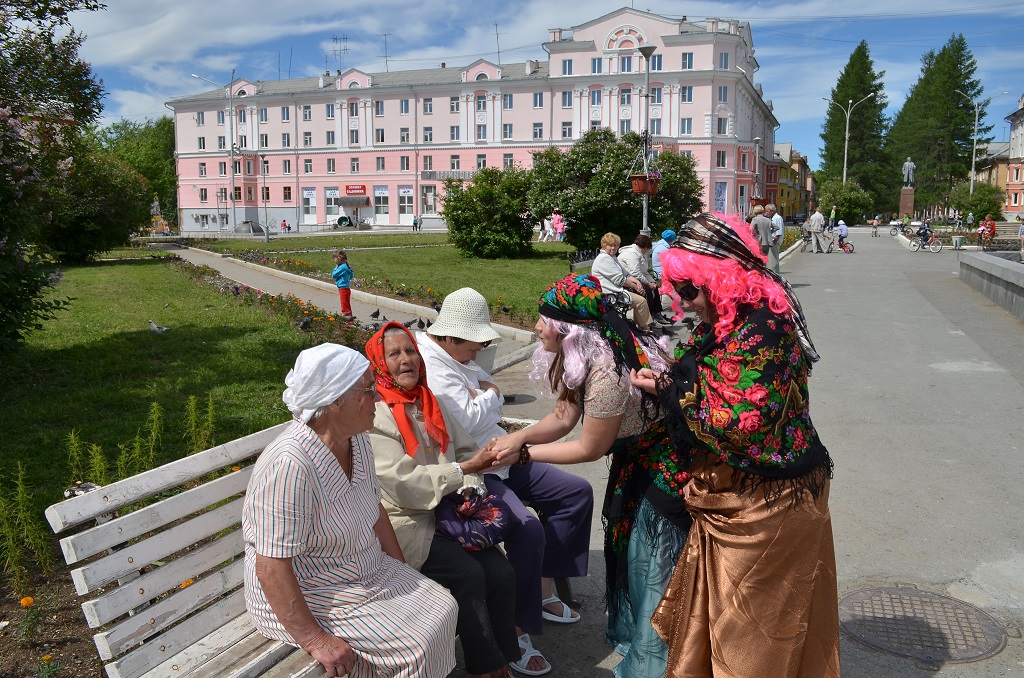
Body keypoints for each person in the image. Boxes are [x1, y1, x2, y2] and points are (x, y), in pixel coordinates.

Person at [629, 213, 839, 678]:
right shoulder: (728, 317)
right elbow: (709, 383)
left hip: (771, 503)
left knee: (753, 637)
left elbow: (741, 422)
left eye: (689, 289)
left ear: (720, 277)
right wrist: (668, 381)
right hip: (737, 492)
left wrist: (668, 392)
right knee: (722, 624)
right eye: (675, 288)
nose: (680, 302)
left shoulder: (764, 324)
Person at [491, 274, 689, 678]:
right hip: (638, 462)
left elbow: (589, 448)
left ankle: (663, 662)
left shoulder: (606, 374)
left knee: (650, 565)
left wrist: (522, 452)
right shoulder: (589, 354)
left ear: (568, 329)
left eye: (543, 320)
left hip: (665, 469)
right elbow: (564, 417)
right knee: (636, 560)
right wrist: (521, 437)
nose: (535, 327)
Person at [242, 344, 458, 678]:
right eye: (369, 391)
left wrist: (398, 569)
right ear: (334, 401)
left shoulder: (356, 439)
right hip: (312, 590)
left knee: (444, 605)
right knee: (417, 641)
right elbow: (270, 566)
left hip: (362, 571)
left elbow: (374, 509)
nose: (379, 399)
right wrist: (314, 639)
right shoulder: (290, 465)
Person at [416, 288, 594, 676]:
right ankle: (516, 629)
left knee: (575, 493)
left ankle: (541, 589)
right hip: (474, 468)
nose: (480, 352)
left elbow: (482, 397)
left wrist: (485, 395)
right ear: (450, 337)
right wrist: (491, 395)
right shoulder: (431, 362)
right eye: (476, 343)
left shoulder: (456, 352)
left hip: (501, 452)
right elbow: (469, 419)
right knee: (526, 527)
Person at [366, 323, 520, 678]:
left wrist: (469, 487)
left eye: (410, 351)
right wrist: (462, 470)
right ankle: (486, 667)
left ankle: (504, 657)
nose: (406, 360)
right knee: (468, 575)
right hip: (406, 522)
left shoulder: (428, 400)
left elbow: (468, 450)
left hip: (450, 515)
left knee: (502, 571)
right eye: (394, 354)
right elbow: (404, 486)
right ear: (379, 363)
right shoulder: (376, 414)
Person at [591, 232, 654, 330]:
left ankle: (641, 327)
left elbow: (626, 274)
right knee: (641, 301)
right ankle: (645, 328)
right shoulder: (604, 259)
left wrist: (637, 283)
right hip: (609, 293)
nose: (613, 248)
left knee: (642, 296)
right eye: (610, 245)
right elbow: (620, 280)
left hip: (616, 290)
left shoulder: (612, 257)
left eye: (615, 245)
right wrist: (636, 286)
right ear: (604, 246)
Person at [618, 234, 670, 325]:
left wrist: (652, 282)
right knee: (648, 290)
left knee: (654, 288)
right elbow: (635, 273)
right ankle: (649, 318)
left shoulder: (640, 253)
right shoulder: (631, 254)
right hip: (626, 282)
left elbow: (644, 272)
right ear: (645, 246)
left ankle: (657, 313)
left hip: (635, 279)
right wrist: (648, 283)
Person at [331, 250, 354, 318]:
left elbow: (334, 275)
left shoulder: (342, 267)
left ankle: (348, 318)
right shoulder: (346, 266)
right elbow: (351, 274)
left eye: (335, 258)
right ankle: (349, 317)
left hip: (343, 288)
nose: (334, 260)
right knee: (346, 303)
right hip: (346, 287)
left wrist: (336, 267)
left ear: (339, 258)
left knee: (344, 304)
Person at [765, 203, 785, 273]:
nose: (766, 213)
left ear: (772, 211)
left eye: (767, 211)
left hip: (774, 242)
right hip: (773, 241)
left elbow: (778, 233)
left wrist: (773, 242)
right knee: (771, 261)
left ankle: (775, 277)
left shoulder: (777, 218)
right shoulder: (773, 218)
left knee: (773, 262)